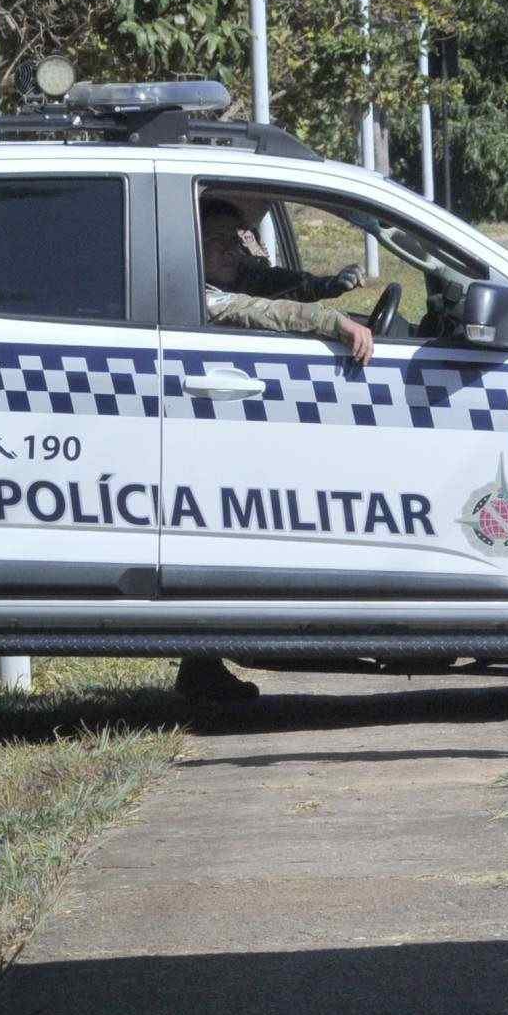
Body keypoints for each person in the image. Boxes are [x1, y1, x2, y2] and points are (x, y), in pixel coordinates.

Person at [177, 197, 379, 707]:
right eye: (219, 244)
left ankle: (200, 668)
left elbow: (273, 283)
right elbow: (263, 310)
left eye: (236, 240)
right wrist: (333, 322)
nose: (234, 253)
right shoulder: (199, 294)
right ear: (189, 249)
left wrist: (327, 287)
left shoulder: (226, 274)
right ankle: (200, 665)